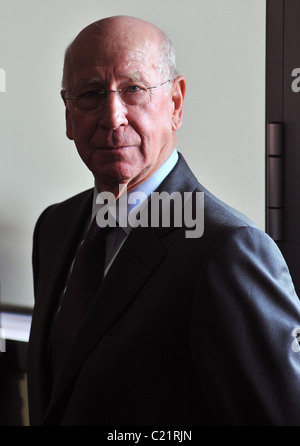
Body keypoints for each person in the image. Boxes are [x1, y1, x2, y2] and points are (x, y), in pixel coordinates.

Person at [27, 15, 300, 426]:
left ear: (175, 103)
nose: (113, 116)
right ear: (68, 115)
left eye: (133, 89)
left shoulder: (228, 250)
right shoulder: (56, 227)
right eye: (91, 93)